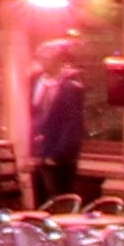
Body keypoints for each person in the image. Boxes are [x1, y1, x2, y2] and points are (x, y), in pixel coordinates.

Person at [26, 42, 94, 208]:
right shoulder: (38, 82)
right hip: (40, 153)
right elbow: (36, 116)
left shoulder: (70, 87)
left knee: (58, 200)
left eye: (45, 58)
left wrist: (58, 154)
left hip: (59, 157)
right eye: (39, 58)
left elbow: (72, 124)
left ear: (56, 60)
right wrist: (34, 150)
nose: (41, 62)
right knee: (41, 202)